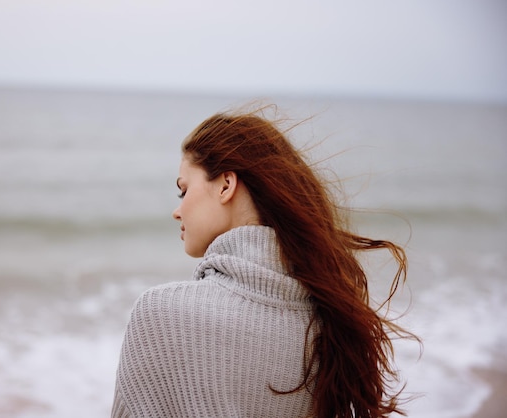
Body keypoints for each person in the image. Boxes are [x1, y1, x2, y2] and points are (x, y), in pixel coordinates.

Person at [111, 107, 415, 418]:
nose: (178, 211)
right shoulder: (327, 325)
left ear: (226, 185)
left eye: (183, 190)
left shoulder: (160, 315)